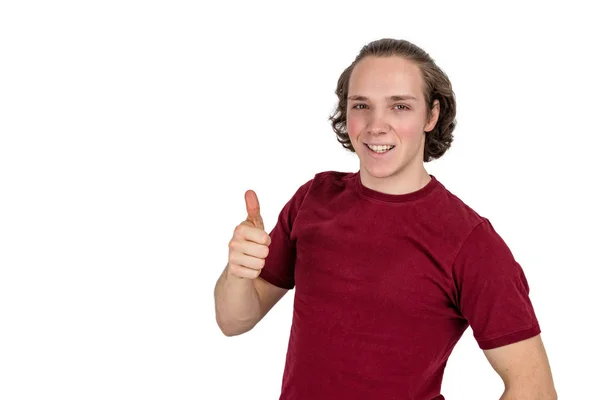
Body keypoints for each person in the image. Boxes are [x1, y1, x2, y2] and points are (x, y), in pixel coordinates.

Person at [213, 38, 557, 400]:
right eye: (361, 105)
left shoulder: (471, 242)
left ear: (432, 115)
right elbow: (234, 321)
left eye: (400, 107)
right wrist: (237, 272)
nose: (377, 126)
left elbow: (534, 389)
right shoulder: (313, 198)